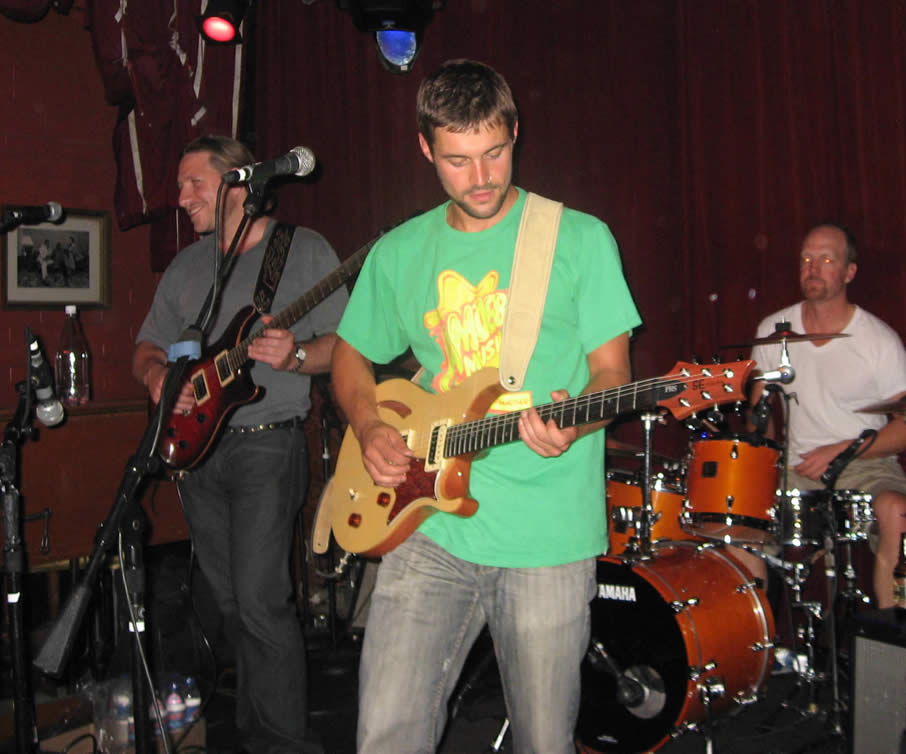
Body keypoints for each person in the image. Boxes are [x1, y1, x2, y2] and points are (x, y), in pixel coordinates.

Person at [330, 59, 641, 753]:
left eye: (494, 153)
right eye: (458, 160)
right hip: (429, 525)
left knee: (543, 742)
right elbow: (350, 355)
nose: (481, 178)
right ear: (425, 148)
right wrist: (370, 423)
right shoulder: (399, 252)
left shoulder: (579, 239)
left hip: (546, 537)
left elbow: (611, 373)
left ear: (515, 132)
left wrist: (576, 422)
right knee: (385, 734)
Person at [133, 135, 346, 753]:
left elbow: (349, 346)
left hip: (266, 443)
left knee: (259, 600)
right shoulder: (187, 266)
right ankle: (257, 732)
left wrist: (298, 354)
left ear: (238, 182)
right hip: (196, 453)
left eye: (194, 183)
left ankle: (282, 743)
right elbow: (146, 347)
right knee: (228, 600)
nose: (181, 197)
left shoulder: (302, 249)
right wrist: (156, 378)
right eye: (180, 185)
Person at [748, 222, 906, 608]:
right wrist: (760, 461)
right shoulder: (774, 330)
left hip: (865, 464)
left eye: (826, 260)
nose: (813, 268)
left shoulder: (877, 339)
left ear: (849, 272)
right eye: (806, 259)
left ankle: (896, 631)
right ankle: (756, 637)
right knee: (741, 521)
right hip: (797, 468)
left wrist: (843, 450)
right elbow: (760, 416)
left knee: (896, 511)